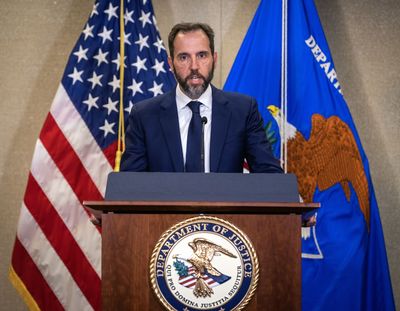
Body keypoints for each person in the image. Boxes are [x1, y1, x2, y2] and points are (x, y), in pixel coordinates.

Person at [120, 22, 282, 173]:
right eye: (184, 57)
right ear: (170, 63)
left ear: (214, 59)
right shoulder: (144, 115)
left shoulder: (243, 110)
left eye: (202, 55)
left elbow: (269, 175)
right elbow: (131, 186)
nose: (194, 66)